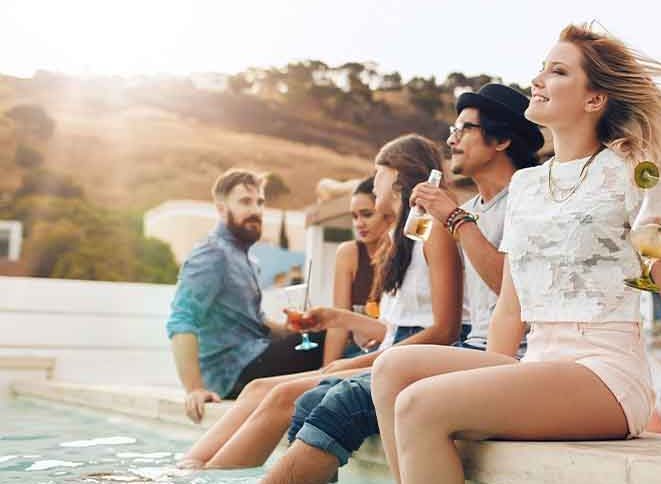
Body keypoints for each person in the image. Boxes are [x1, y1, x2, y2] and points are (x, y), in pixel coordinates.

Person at [371, 23, 661, 484]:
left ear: (595, 99)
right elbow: (511, 306)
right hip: (538, 360)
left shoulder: (633, 174)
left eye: (557, 72)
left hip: (605, 371)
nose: (537, 80)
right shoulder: (528, 184)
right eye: (541, 69)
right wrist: (489, 373)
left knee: (421, 405)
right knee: (392, 368)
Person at [259, 83, 543, 484]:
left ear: (501, 139)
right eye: (452, 128)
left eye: (464, 129)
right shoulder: (473, 209)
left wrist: (454, 220)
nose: (451, 139)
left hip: (514, 358)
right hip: (469, 350)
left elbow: (516, 289)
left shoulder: (525, 201)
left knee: (346, 400)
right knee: (312, 399)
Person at [177, 134, 464, 469]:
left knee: (283, 396)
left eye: (379, 174)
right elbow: (398, 326)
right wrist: (334, 318)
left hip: (407, 360)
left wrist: (348, 360)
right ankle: (191, 468)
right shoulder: (401, 241)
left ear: (398, 176)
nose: (374, 186)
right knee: (257, 388)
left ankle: (207, 474)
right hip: (391, 352)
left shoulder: (433, 232)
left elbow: (444, 329)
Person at [166, 169, 326, 424]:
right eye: (245, 202)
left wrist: (287, 329)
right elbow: (182, 319)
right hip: (233, 373)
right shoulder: (212, 253)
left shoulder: (246, 257)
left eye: (259, 202)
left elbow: (252, 321)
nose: (256, 210)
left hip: (253, 357)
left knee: (329, 330)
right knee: (329, 339)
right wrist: (194, 389)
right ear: (221, 209)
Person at [322, 176, 390, 363]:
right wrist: (324, 373)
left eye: (367, 214)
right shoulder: (349, 253)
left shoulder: (403, 254)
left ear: (388, 213)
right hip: (354, 353)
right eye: (354, 216)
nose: (359, 223)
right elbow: (338, 326)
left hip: (388, 353)